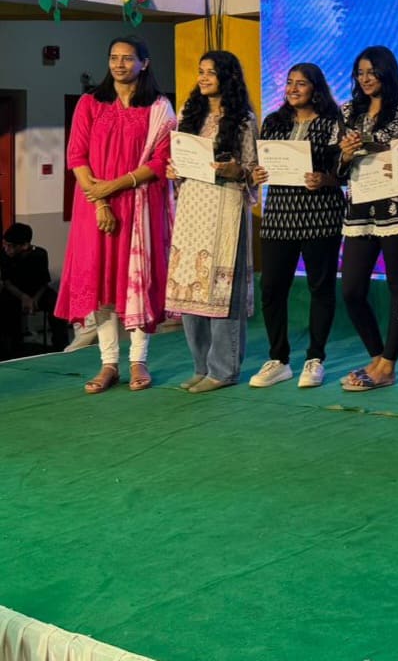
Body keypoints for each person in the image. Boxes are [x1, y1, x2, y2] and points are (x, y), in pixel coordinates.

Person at [54, 34, 175, 392]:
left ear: (144, 63)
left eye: (127, 58)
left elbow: (162, 161)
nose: (119, 64)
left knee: (137, 281)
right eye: (114, 58)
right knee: (102, 284)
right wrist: (101, 201)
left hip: (140, 204)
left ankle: (139, 361)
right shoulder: (91, 103)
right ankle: (109, 364)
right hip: (94, 207)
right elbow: (76, 156)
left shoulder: (158, 107)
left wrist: (115, 186)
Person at [248, 63, 345, 389]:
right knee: (272, 289)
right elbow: (261, 163)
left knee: (321, 288)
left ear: (316, 88)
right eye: (289, 82)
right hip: (279, 216)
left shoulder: (333, 122)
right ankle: (279, 359)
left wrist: (324, 179)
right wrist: (257, 173)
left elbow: (344, 172)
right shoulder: (273, 122)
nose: (293, 88)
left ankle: (315, 358)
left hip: (321, 216)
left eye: (301, 83)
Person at [166, 51, 257, 393]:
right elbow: (180, 159)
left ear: (227, 77)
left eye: (211, 72)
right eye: (200, 71)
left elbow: (253, 170)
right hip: (192, 207)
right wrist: (174, 171)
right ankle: (201, 366)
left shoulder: (244, 119)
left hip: (225, 206)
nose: (203, 78)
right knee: (190, 286)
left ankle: (224, 369)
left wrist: (236, 170)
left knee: (222, 290)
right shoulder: (189, 113)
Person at [338, 46, 398, 392]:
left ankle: (388, 365)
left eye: (372, 72)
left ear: (387, 71)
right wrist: (345, 154)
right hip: (359, 207)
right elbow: (338, 167)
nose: (365, 79)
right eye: (360, 73)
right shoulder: (347, 111)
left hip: (395, 205)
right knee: (351, 289)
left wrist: (377, 147)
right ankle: (377, 356)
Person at [0, 222, 69, 352]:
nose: (6, 249)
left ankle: (61, 345)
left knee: (56, 301)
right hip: (15, 292)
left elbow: (44, 282)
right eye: (4, 244)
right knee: (5, 304)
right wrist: (24, 297)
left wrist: (35, 299)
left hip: (38, 292)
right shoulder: (4, 255)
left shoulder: (40, 254)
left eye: (10, 246)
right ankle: (11, 347)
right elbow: (7, 282)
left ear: (25, 245)